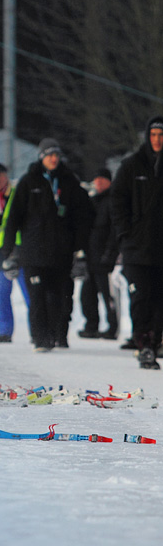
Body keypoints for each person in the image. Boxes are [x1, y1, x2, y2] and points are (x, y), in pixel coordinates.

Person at [2, 139, 92, 352]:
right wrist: (9, 252)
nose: (53, 159)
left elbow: (83, 218)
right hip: (33, 253)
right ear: (42, 157)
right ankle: (40, 338)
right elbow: (13, 217)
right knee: (37, 297)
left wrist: (80, 250)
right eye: (49, 155)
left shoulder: (69, 182)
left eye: (56, 155)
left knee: (58, 298)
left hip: (61, 253)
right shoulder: (28, 182)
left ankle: (56, 335)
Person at [110, 116, 163, 370]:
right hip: (136, 248)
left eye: (161, 135)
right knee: (140, 297)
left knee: (159, 300)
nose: (157, 140)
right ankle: (144, 345)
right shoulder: (131, 166)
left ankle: (154, 342)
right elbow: (117, 202)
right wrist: (125, 234)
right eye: (153, 135)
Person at [0, 162, 30, 342]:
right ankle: (5, 331)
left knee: (28, 292)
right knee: (1, 295)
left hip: (18, 248)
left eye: (0, 174)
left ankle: (36, 331)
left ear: (6, 176)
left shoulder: (17, 195)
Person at [78, 168, 119, 340]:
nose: (99, 182)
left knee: (108, 295)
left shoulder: (114, 201)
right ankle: (91, 325)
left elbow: (114, 231)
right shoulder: (91, 202)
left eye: (103, 179)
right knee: (87, 294)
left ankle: (112, 327)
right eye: (97, 179)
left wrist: (110, 254)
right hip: (91, 257)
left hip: (105, 259)